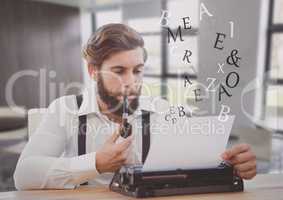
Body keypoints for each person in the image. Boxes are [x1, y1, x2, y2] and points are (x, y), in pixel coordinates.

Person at [14, 23, 257, 190]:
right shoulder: (64, 110)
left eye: (138, 71)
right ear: (93, 71)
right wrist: (96, 163)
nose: (131, 82)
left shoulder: (161, 111)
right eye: (119, 71)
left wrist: (230, 166)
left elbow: (192, 166)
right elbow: (23, 175)